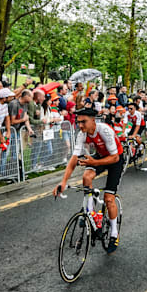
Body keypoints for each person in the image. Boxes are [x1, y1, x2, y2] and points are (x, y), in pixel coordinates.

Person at [53, 107, 123, 253]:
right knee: (86, 177)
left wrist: (94, 163)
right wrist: (63, 181)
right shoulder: (82, 134)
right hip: (100, 157)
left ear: (93, 120)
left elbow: (115, 157)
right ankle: (89, 212)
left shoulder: (105, 131)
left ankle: (114, 233)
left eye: (84, 122)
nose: (81, 125)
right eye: (78, 122)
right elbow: (74, 159)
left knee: (109, 199)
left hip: (115, 160)